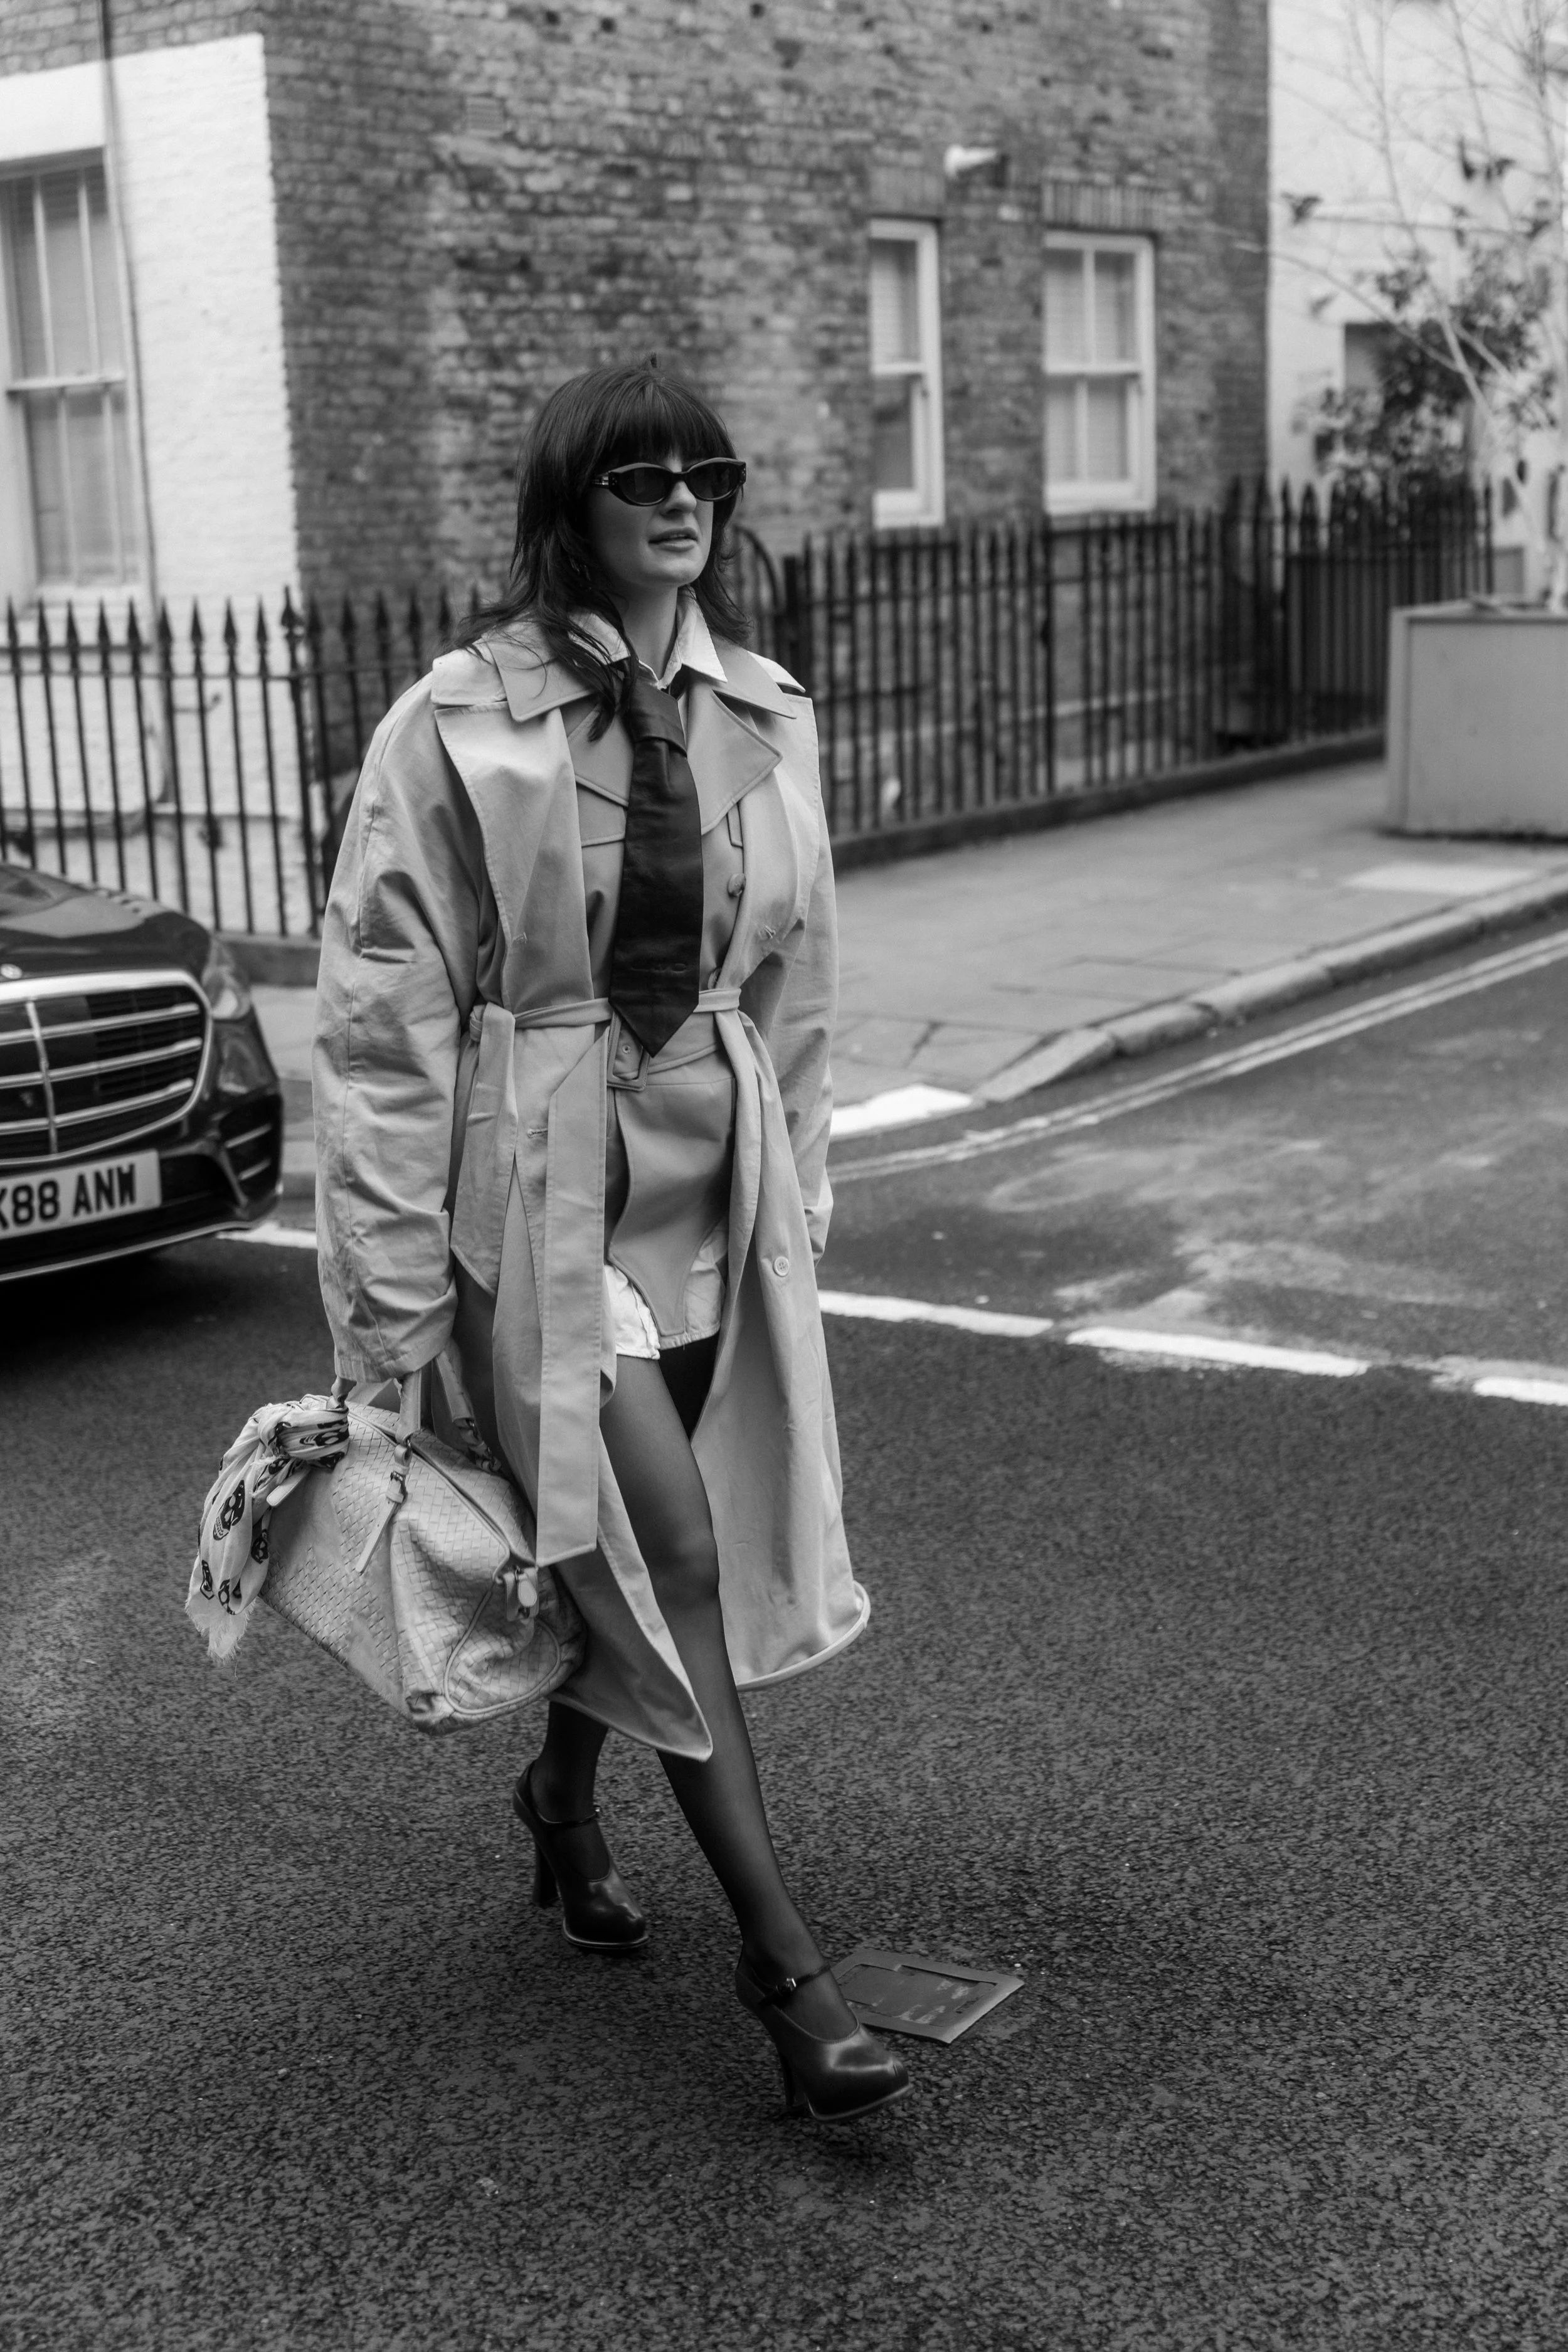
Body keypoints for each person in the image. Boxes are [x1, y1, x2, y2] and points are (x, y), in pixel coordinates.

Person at [312, 361, 909, 2124]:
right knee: (672, 1544)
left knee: (622, 1552)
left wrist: (794, 1183)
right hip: (545, 1187)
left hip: (707, 1178)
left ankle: (563, 1800)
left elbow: (793, 980)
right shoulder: (450, 725)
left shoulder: (767, 712)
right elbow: (380, 1031)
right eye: (635, 471)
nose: (680, 496)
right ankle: (784, 1967)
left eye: (704, 468)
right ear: (565, 504)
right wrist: (389, 1308)